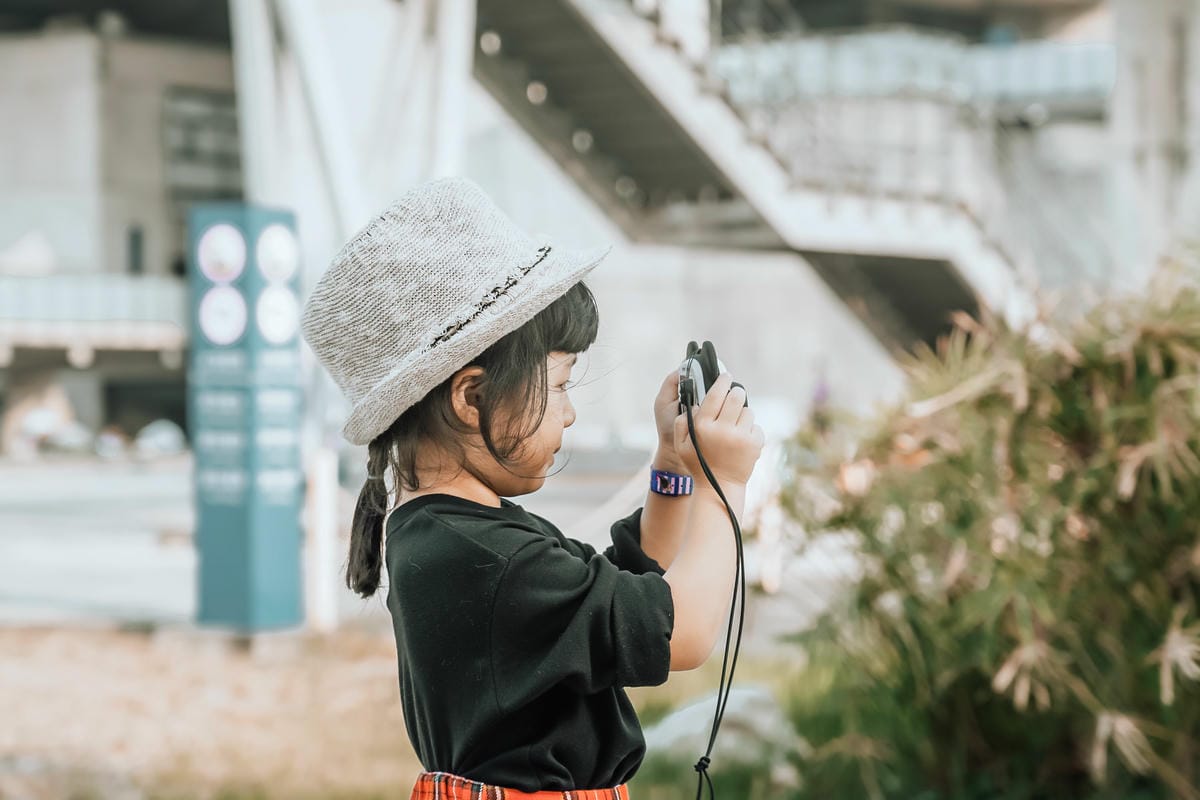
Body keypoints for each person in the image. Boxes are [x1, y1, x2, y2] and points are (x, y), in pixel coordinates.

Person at [300, 177, 764, 799]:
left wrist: (674, 464)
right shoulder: (492, 558)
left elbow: (624, 590)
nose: (569, 412)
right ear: (472, 396)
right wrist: (723, 482)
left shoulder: (454, 535)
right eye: (561, 383)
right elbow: (681, 630)